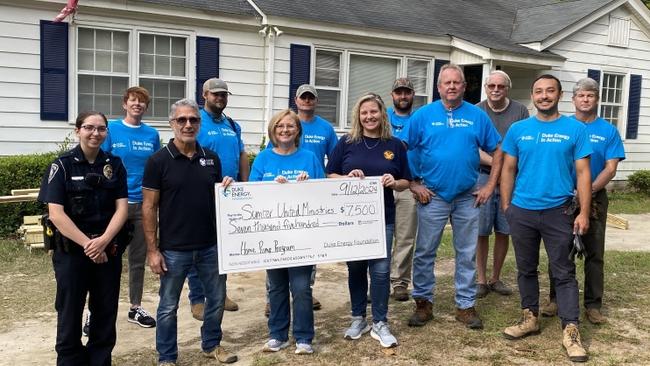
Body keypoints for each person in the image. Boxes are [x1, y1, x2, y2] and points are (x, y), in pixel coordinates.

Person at [500, 74, 592, 362]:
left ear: (559, 94)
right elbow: (508, 169)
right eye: (538, 91)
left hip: (558, 212)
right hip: (522, 211)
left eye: (549, 91)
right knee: (526, 269)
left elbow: (583, 173)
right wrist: (507, 206)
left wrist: (585, 212)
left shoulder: (575, 130)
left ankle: (571, 330)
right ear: (533, 96)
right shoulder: (518, 129)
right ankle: (530, 318)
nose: (543, 96)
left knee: (563, 272)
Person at [406, 63, 502, 330]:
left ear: (464, 86)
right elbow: (403, 149)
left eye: (456, 82)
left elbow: (498, 151)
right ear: (438, 87)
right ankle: (423, 303)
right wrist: (413, 184)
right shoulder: (422, 116)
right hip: (432, 195)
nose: (451, 87)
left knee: (467, 252)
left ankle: (465, 305)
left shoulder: (477, 116)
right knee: (425, 251)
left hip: (466, 196)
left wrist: (489, 186)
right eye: (446, 83)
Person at [142, 99, 237, 365]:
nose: (188, 125)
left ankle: (211, 345)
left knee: (216, 300)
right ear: (172, 124)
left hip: (210, 246)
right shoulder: (158, 161)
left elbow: (218, 198)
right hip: (173, 250)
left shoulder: (211, 158)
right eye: (181, 120)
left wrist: (228, 188)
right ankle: (167, 357)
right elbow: (149, 207)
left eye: (193, 120)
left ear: (199, 123)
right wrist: (153, 250)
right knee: (167, 307)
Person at [38, 111, 128, 365]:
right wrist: (89, 244)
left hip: (107, 251)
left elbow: (122, 208)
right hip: (73, 254)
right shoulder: (62, 165)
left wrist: (103, 241)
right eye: (89, 127)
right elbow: (56, 214)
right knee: (69, 314)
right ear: (78, 130)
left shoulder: (115, 165)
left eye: (101, 129)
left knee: (105, 313)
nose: (95, 133)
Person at [326, 93, 411, 348]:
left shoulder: (395, 145)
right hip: (352, 220)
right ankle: (358, 318)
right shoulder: (347, 142)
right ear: (358, 116)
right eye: (364, 113)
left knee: (382, 271)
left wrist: (394, 182)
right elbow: (329, 174)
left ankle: (380, 321)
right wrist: (347, 178)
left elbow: (407, 180)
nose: (369, 116)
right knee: (356, 269)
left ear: (381, 114)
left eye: (373, 112)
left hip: (382, 217)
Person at [540, 77, 625, 324]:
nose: (585, 99)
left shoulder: (608, 131)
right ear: (573, 99)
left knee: (594, 253)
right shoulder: (562, 126)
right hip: (562, 198)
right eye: (581, 95)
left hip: (595, 199)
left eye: (590, 95)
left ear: (597, 99)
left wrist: (586, 189)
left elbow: (610, 168)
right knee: (560, 250)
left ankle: (593, 305)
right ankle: (555, 299)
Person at [251, 109, 324, 355]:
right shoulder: (262, 159)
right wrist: (270, 187)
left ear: (297, 131)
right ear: (273, 130)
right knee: (277, 286)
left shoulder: (310, 158)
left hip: (303, 237)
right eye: (280, 126)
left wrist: (309, 185)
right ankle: (278, 335)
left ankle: (304, 337)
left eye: (290, 126)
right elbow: (251, 195)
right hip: (273, 237)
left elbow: (324, 195)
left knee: (302, 287)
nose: (285, 130)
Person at [264, 84, 338, 315]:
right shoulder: (281, 129)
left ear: (315, 101)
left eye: (311, 98)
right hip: (277, 208)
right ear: (296, 100)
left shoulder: (325, 128)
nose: (307, 101)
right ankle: (272, 297)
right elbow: (265, 171)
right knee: (276, 252)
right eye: (303, 97)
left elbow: (335, 160)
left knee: (308, 248)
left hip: (309, 195)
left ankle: (306, 290)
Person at [101, 86, 159, 328]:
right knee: (105, 260)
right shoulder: (111, 129)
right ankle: (95, 312)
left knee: (137, 260)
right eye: (133, 100)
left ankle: (135, 307)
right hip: (115, 206)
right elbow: (101, 165)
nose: (137, 105)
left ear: (146, 107)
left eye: (142, 102)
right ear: (125, 104)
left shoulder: (152, 135)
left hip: (143, 205)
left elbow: (157, 169)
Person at [190, 78, 245, 318]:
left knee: (224, 248)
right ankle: (197, 298)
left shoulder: (232, 124)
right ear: (205, 95)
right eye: (216, 94)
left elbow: (241, 154)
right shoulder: (197, 123)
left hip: (229, 194)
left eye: (224, 95)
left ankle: (219, 293)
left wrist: (246, 184)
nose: (220, 98)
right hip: (203, 194)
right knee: (198, 246)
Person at [475, 71, 529, 298]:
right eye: (491, 86)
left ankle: (496, 278)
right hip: (482, 176)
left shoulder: (520, 111)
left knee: (504, 229)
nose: (495, 90)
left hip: (511, 179)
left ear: (507, 88)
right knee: (481, 230)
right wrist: (499, 164)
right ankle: (481, 280)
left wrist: (506, 169)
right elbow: (472, 147)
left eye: (500, 86)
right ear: (486, 87)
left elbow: (523, 144)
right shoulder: (477, 111)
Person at [387, 78, 419, 301]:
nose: (403, 96)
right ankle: (377, 281)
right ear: (392, 95)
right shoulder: (382, 116)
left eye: (407, 92)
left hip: (409, 184)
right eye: (399, 92)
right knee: (380, 236)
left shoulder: (420, 119)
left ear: (413, 95)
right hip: (383, 183)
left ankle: (399, 282)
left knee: (405, 236)